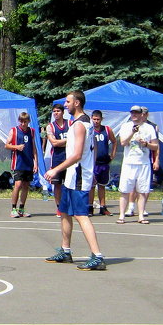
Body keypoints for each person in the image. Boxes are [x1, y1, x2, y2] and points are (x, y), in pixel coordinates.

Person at [44, 90, 107, 270]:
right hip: (72, 175)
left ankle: (97, 256)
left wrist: (56, 169)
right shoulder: (79, 123)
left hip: (78, 175)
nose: (65, 104)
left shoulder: (80, 125)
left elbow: (78, 154)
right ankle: (65, 251)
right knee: (64, 211)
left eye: (68, 101)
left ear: (77, 103)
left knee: (81, 215)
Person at [116, 105, 157, 224]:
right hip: (129, 163)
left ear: (141, 114)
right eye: (132, 113)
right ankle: (122, 215)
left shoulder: (149, 128)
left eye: (136, 113)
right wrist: (132, 132)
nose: (134, 115)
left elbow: (155, 146)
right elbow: (123, 142)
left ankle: (141, 216)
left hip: (143, 163)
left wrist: (145, 144)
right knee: (124, 190)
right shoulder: (126, 126)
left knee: (142, 190)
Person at [5, 111, 37, 218]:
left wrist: (35, 162)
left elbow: (34, 148)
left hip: (28, 162)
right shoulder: (14, 131)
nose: (23, 123)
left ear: (28, 121)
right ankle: (13, 209)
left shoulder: (32, 131)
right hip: (18, 162)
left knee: (26, 186)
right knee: (17, 185)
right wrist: (16, 147)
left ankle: (21, 209)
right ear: (19, 121)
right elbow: (7, 145)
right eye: (21, 121)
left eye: (25, 121)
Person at [89, 110, 114, 216]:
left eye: (98, 119)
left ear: (101, 119)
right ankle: (89, 207)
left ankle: (103, 207)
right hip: (93, 163)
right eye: (94, 119)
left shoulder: (107, 130)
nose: (96, 121)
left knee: (102, 185)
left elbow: (114, 141)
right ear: (91, 119)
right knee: (91, 185)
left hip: (104, 162)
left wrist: (112, 154)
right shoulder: (89, 130)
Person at [46, 103, 69, 204]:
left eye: (58, 111)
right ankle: (59, 207)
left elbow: (76, 140)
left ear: (63, 112)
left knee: (70, 184)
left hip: (69, 158)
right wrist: (68, 140)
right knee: (57, 184)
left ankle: (69, 205)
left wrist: (61, 141)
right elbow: (54, 143)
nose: (56, 113)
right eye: (54, 111)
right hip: (57, 159)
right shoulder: (50, 127)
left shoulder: (70, 124)